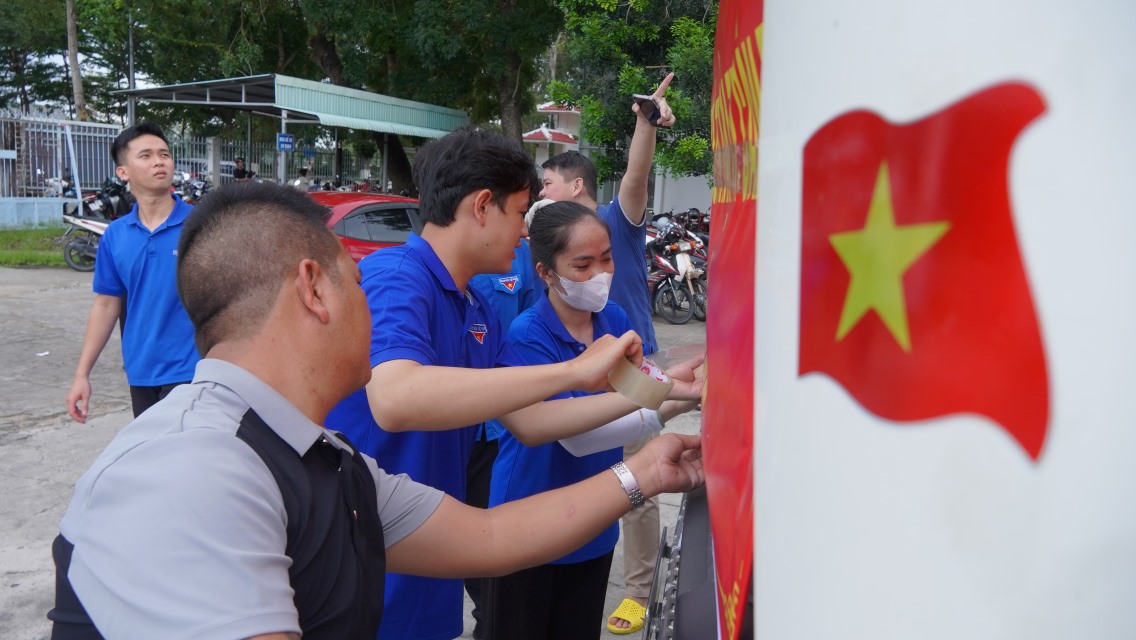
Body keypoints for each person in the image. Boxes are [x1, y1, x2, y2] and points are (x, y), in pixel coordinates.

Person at [47, 181, 706, 640]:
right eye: (360, 284)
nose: (377, 311)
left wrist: (646, 472)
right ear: (312, 289)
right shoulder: (189, 469)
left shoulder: (325, 463)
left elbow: (492, 538)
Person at [323, 127, 701, 640]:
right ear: (483, 206)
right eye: (520, 212)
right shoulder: (396, 275)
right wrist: (574, 371)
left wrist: (673, 392)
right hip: (366, 560)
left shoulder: (476, 310)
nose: (525, 232)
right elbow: (394, 398)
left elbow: (535, 420)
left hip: (429, 553)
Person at [483, 200, 702, 640]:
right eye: (583, 264)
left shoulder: (613, 321)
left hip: (594, 521)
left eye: (606, 259)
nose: (600, 274)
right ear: (545, 272)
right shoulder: (529, 336)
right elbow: (578, 438)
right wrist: (669, 396)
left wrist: (681, 389)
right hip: (528, 522)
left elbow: (643, 385)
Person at [539, 73, 679, 634]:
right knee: (591, 472)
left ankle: (639, 592)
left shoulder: (616, 221)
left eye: (548, 182)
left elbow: (636, 175)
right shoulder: (546, 243)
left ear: (575, 186)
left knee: (639, 484)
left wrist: (645, 121)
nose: (541, 190)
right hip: (575, 366)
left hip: (628, 369)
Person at [65, 122, 200, 422]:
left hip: (196, 371)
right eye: (146, 155)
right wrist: (82, 374)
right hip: (141, 372)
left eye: (164, 154)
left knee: (186, 464)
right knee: (151, 463)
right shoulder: (116, 235)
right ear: (123, 172)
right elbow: (106, 305)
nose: (159, 161)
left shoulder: (201, 225)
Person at [463, 236, 543, 640]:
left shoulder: (520, 257)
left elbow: (527, 334)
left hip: (497, 430)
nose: (521, 226)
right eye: (516, 211)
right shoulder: (413, 280)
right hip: (445, 434)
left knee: (487, 545)